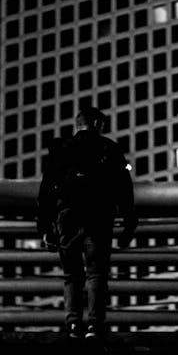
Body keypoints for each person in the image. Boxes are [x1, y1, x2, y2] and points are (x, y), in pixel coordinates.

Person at [36, 106, 137, 339]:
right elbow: (124, 189)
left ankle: (72, 323)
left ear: (78, 124)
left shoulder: (62, 148)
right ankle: (94, 325)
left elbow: (47, 190)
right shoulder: (108, 148)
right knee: (97, 273)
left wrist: (45, 227)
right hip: (99, 216)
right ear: (96, 125)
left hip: (67, 215)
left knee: (72, 274)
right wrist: (129, 223)